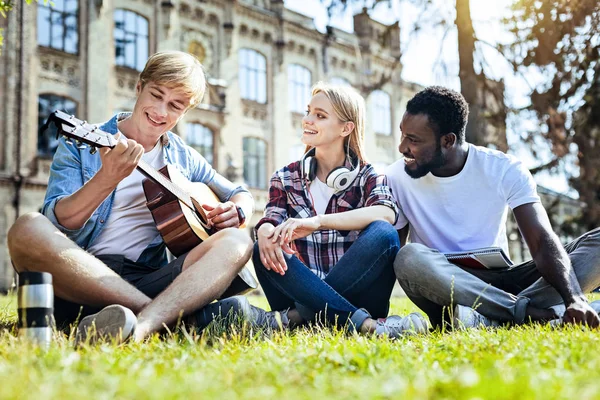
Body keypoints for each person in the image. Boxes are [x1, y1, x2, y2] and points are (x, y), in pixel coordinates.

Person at [7, 51, 279, 344]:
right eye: (156, 95)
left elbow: (240, 193)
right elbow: (60, 223)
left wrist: (238, 210)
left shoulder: (182, 156)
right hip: (78, 273)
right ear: (139, 87)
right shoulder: (82, 142)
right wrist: (107, 178)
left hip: (149, 279)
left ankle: (139, 327)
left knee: (238, 241)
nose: (161, 111)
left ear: (185, 112)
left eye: (175, 106)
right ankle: (167, 321)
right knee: (27, 227)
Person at [386, 85, 600, 329]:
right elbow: (393, 255)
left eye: (413, 140)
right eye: (403, 135)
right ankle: (533, 314)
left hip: (504, 280)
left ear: (448, 141)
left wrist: (575, 299)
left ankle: (488, 318)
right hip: (446, 287)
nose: (402, 147)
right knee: (408, 258)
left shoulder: (502, 168)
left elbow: (540, 240)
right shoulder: (395, 177)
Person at [252, 82, 429, 338]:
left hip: (360, 296)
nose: (307, 120)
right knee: (262, 246)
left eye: (320, 116)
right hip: (302, 289)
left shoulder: (369, 174)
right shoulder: (285, 177)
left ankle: (299, 317)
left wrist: (319, 221)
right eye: (308, 111)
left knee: (384, 233)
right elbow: (271, 217)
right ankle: (366, 326)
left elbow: (386, 213)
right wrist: (265, 231)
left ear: (346, 128)